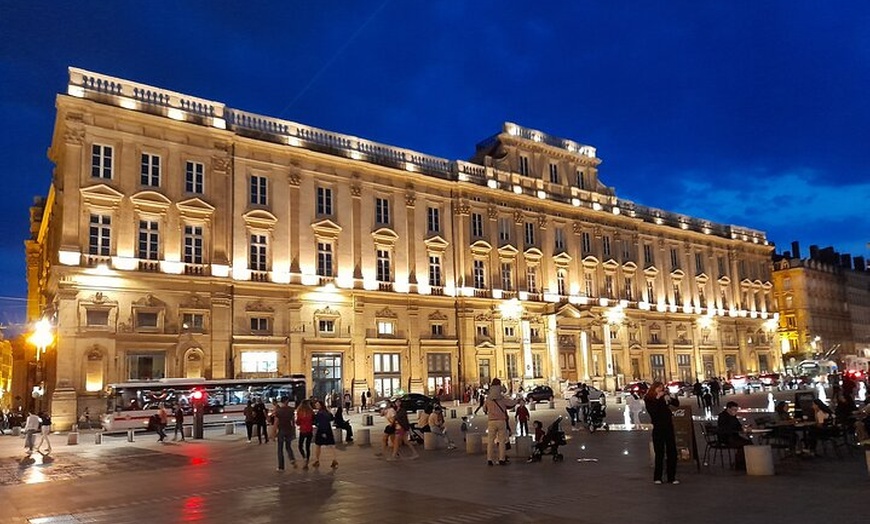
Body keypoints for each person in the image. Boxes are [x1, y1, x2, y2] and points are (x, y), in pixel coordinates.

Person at [643, 381, 679, 484]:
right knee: (659, 453)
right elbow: (653, 411)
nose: (661, 390)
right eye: (659, 388)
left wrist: (671, 398)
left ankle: (671, 477)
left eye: (662, 388)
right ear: (654, 389)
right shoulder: (649, 399)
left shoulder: (665, 397)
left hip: (668, 426)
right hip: (658, 427)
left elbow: (676, 404)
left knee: (672, 452)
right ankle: (657, 477)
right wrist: (658, 398)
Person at [484, 378, 516, 466]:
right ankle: (502, 459)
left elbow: (484, 409)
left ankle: (489, 459)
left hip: (491, 421)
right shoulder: (502, 398)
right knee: (502, 441)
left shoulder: (488, 399)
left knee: (490, 441)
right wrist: (517, 400)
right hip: (501, 421)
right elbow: (510, 403)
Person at [717, 401, 751, 469]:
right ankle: (740, 464)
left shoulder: (733, 416)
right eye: (734, 410)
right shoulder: (723, 417)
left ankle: (745, 462)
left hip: (734, 436)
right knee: (744, 445)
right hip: (726, 438)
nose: (735, 411)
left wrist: (744, 428)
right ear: (728, 409)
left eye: (736, 410)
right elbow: (725, 428)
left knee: (749, 443)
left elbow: (738, 426)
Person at [312, 399, 338, 468]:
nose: (316, 406)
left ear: (321, 405)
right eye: (316, 405)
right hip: (328, 430)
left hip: (322, 430)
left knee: (318, 445)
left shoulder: (320, 413)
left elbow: (318, 422)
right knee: (331, 445)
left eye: (317, 405)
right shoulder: (326, 412)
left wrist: (323, 432)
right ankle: (334, 460)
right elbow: (331, 418)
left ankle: (317, 460)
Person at [274, 397, 297, 471]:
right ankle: (292, 458)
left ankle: (281, 466)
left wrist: (273, 433)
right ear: (287, 401)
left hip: (281, 430)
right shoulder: (291, 410)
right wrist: (294, 431)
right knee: (288, 446)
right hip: (289, 430)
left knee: (280, 449)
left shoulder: (278, 411)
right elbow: (293, 422)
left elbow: (276, 422)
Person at [296, 399, 315, 469]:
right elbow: (313, 420)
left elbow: (297, 422)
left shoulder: (299, 411)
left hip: (303, 430)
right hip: (309, 430)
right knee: (308, 447)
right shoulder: (311, 411)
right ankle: (307, 459)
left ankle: (304, 457)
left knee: (300, 446)